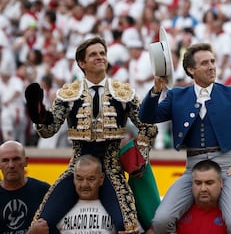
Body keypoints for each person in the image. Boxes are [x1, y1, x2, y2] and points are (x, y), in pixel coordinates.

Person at [24, 36, 159, 233]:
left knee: (128, 227)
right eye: (93, 54)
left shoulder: (123, 92)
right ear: (81, 63)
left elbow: (148, 127)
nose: (100, 57)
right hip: (76, 169)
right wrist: (40, 116)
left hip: (111, 169)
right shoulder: (69, 94)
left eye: (102, 53)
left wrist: (140, 152)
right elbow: (48, 130)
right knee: (40, 224)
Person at [139, 42, 231, 233]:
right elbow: (147, 117)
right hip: (193, 167)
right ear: (191, 70)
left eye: (212, 61)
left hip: (226, 168)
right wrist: (156, 90)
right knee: (161, 220)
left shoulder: (230, 94)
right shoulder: (177, 95)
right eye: (204, 63)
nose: (211, 67)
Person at [28, 155, 126, 234]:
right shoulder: (58, 211)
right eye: (79, 178)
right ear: (73, 179)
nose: (84, 184)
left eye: (91, 179)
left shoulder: (118, 211)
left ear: (101, 178)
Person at [175, 159, 231, 234]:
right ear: (191, 184)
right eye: (198, 183)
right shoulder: (177, 213)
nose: (203, 189)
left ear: (221, 183)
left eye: (209, 183)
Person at [0, 140, 50, 233]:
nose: (11, 165)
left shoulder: (44, 191)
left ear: (26, 161)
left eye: (16, 159)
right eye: (5, 160)